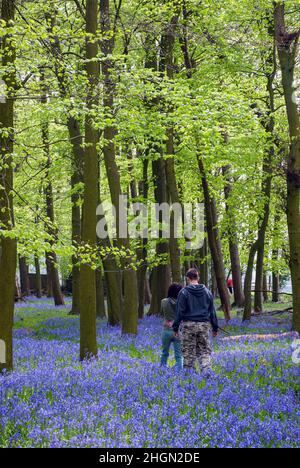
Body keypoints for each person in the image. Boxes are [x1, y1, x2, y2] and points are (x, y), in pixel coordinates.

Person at [173, 268, 218, 374]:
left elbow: (180, 312)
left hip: (188, 326)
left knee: (188, 352)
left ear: (188, 279)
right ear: (198, 278)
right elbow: (212, 311)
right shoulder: (207, 292)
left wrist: (175, 327)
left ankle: (189, 377)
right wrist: (215, 327)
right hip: (204, 325)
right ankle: (206, 372)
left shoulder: (183, 292)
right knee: (204, 351)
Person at [160, 283, 183, 371]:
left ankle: (162, 371)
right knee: (179, 355)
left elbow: (162, 313)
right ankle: (179, 372)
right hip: (178, 330)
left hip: (166, 330)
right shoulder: (182, 303)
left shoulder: (164, 301)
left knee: (164, 353)